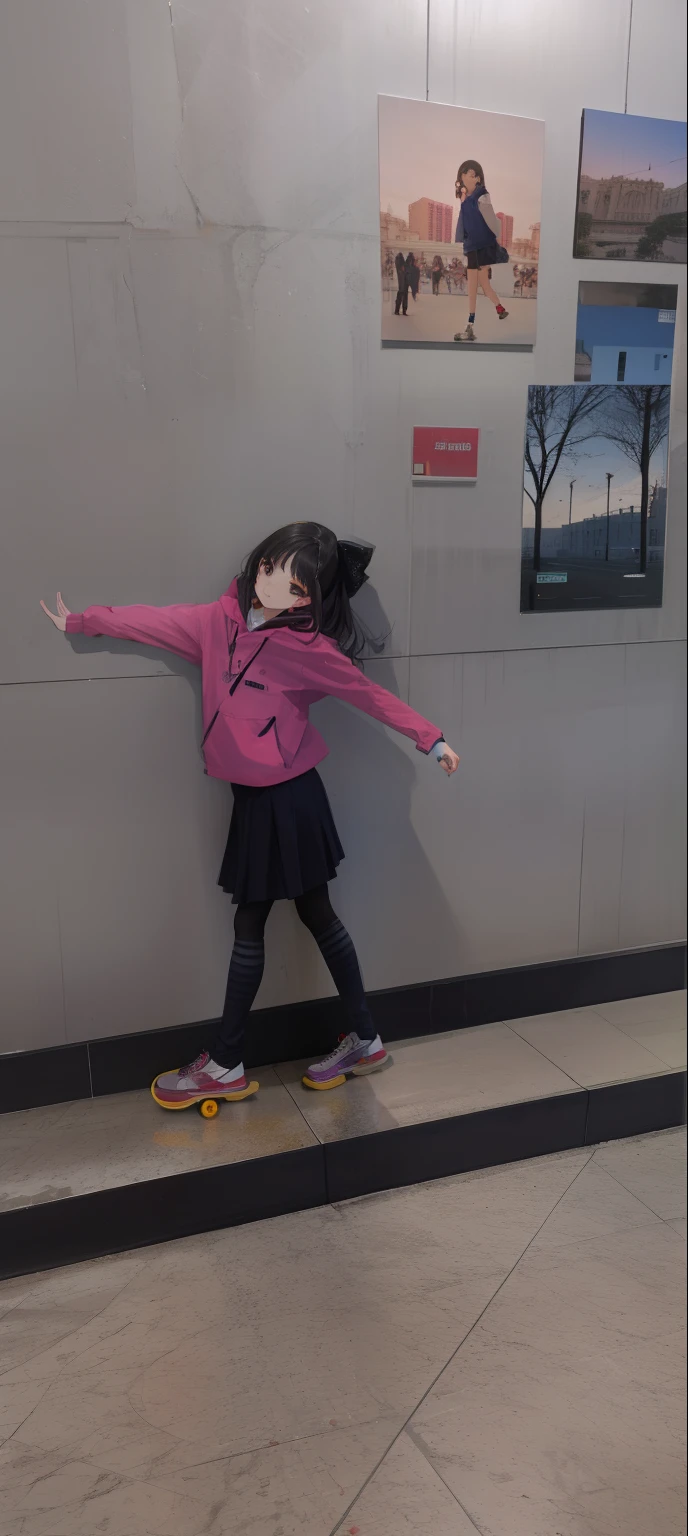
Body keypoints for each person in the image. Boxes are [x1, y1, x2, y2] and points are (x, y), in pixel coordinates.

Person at [41, 526, 459, 1106]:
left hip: (291, 798)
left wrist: (431, 740)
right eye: (267, 567)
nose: (269, 585)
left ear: (309, 596)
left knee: (258, 923)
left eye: (289, 583)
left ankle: (228, 1061)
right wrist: (86, 620)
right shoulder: (217, 623)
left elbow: (370, 695)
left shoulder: (309, 650)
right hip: (257, 800)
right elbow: (153, 622)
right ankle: (364, 1038)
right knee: (315, 916)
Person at [453, 160, 509, 342]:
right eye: (464, 174)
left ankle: (470, 326)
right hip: (474, 246)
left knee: (472, 288)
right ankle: (500, 308)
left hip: (478, 247)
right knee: (484, 286)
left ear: (478, 178)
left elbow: (492, 221)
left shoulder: (482, 196)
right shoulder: (466, 198)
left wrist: (497, 240)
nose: (466, 177)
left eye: (471, 174)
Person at [394, 250, 408, 315]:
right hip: (403, 283)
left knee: (401, 294)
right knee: (402, 294)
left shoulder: (398, 261)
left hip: (402, 282)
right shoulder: (400, 260)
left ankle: (398, 310)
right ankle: (400, 311)